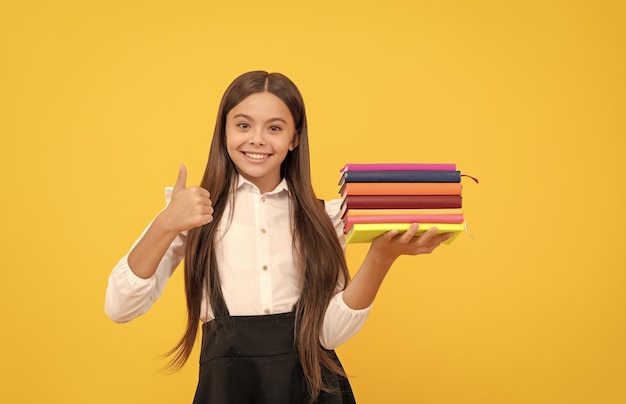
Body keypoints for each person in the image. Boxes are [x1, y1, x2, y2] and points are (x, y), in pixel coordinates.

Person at [104, 70, 453, 404]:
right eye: (243, 125)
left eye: (274, 127)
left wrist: (381, 258)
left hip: (315, 391)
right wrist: (166, 223)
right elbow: (119, 307)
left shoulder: (326, 217)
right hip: (228, 391)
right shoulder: (191, 212)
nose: (257, 139)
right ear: (223, 131)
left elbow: (328, 335)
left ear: (294, 138)